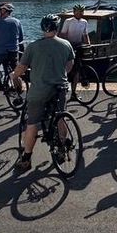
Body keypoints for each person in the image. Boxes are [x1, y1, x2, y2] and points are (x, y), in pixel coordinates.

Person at [11, 14, 76, 172]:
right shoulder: (66, 44)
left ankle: (26, 158)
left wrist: (14, 76)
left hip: (39, 89)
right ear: (57, 28)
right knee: (60, 116)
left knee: (32, 122)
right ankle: (61, 146)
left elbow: (21, 68)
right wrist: (61, 73)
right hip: (60, 87)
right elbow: (70, 64)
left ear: (42, 28)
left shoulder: (33, 46)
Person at [59, 3, 91, 102]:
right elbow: (63, 34)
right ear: (74, 12)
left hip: (78, 46)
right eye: (78, 11)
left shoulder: (84, 22)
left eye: (82, 11)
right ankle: (61, 89)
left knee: (77, 69)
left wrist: (89, 45)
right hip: (69, 46)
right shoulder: (68, 21)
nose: (80, 13)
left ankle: (74, 92)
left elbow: (85, 35)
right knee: (66, 68)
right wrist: (65, 46)